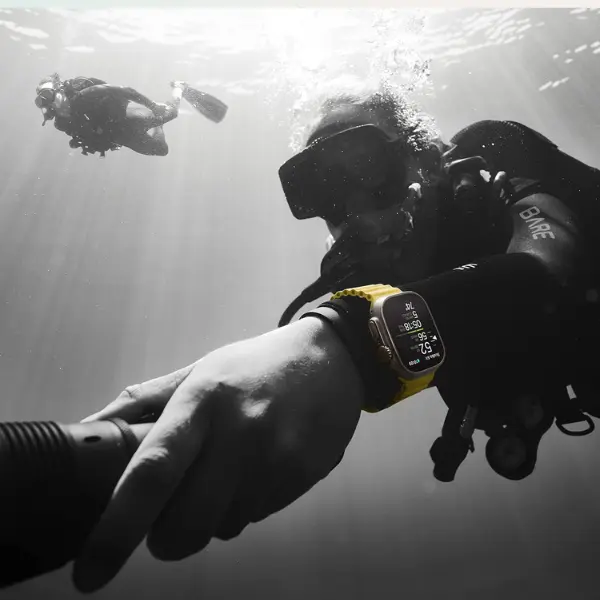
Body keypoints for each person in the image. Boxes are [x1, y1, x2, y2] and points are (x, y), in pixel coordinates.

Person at [70, 87, 600, 593]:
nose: (354, 210)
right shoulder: (367, 272)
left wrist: (347, 342)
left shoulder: (497, 159)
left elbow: (546, 267)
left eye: (369, 168)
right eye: (322, 188)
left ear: (426, 159)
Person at [34, 73, 228, 157]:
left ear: (59, 89)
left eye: (48, 95)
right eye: (41, 101)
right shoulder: (62, 123)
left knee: (172, 113)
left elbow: (125, 90)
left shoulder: (84, 95)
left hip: (126, 116)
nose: (47, 102)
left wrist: (152, 106)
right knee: (161, 150)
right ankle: (158, 124)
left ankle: (179, 88)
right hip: (120, 136)